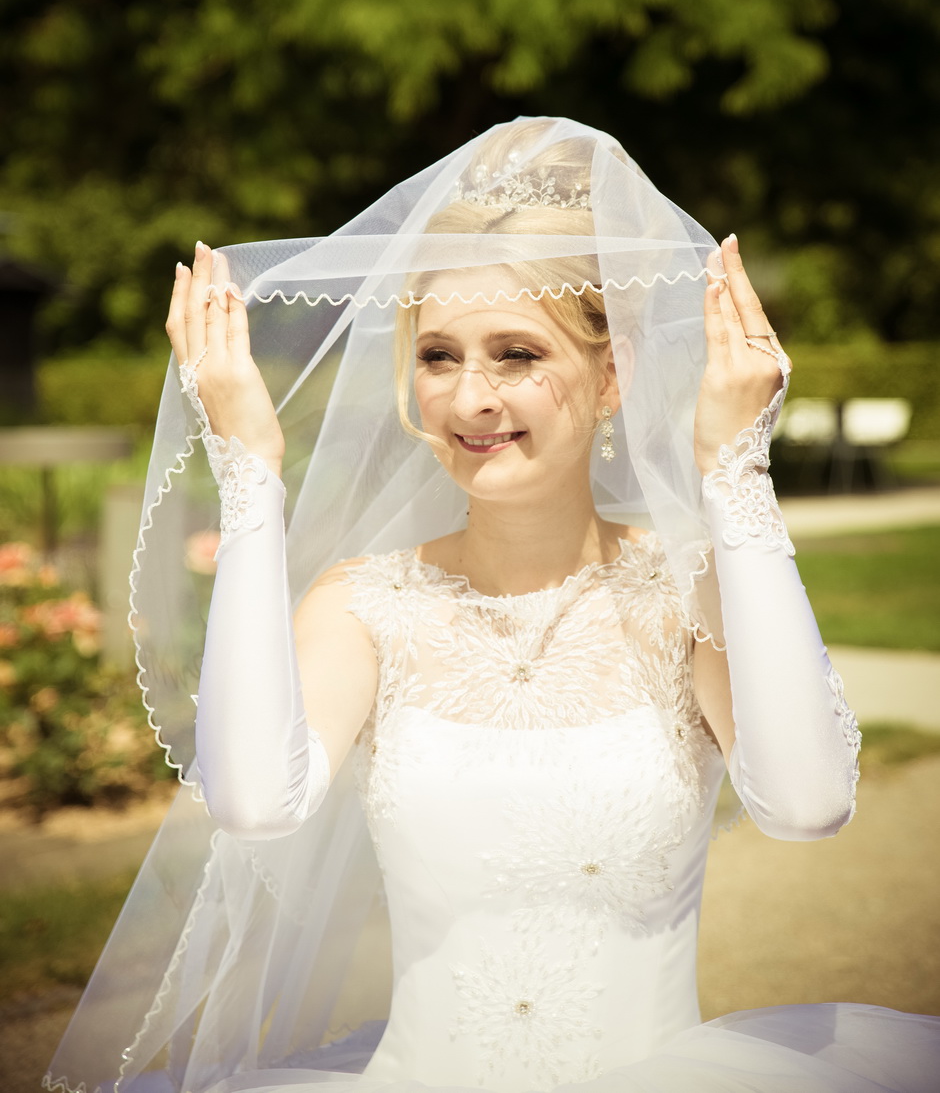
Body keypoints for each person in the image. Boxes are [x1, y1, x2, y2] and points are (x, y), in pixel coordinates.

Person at [46, 118, 939, 1093]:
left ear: (612, 377)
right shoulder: (366, 605)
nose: (470, 397)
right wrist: (249, 468)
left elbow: (808, 804)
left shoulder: (688, 595)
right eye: (438, 356)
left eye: (515, 354)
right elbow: (255, 805)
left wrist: (736, 467)